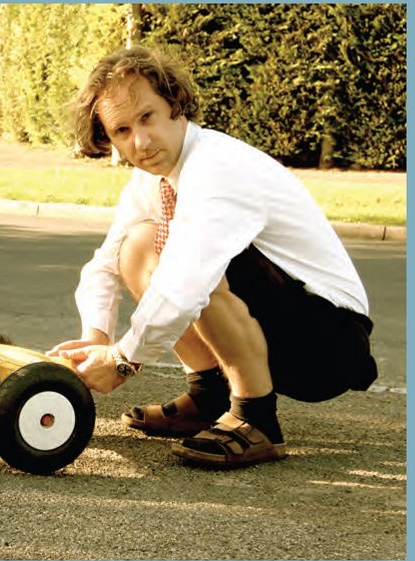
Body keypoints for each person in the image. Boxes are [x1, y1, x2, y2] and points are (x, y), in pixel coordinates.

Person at [47, 45, 377, 468]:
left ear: (174, 104)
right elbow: (106, 262)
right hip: (291, 319)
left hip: (329, 343)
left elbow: (185, 285)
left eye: (147, 117)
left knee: (196, 264)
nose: (141, 142)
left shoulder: (215, 168)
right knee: (138, 245)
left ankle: (255, 420)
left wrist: (124, 360)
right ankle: (208, 396)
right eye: (122, 131)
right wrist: (95, 336)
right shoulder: (155, 177)